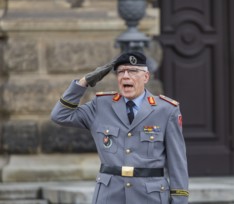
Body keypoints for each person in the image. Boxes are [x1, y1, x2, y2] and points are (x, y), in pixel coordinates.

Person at [51, 51, 189, 204]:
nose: (125, 76)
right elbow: (60, 115)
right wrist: (84, 82)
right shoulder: (101, 105)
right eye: (121, 72)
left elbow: (177, 162)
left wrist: (179, 200)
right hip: (109, 196)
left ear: (146, 77)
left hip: (151, 196)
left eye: (133, 71)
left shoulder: (166, 110)